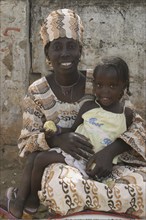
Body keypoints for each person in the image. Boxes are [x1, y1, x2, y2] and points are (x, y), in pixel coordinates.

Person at [7, 8, 146, 219]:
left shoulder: (102, 80)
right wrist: (58, 140)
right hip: (64, 165)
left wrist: (109, 153)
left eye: (71, 46)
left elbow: (136, 125)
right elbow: (27, 143)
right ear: (47, 53)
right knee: (63, 188)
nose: (65, 53)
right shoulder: (37, 91)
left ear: (80, 50)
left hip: (109, 163)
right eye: (57, 47)